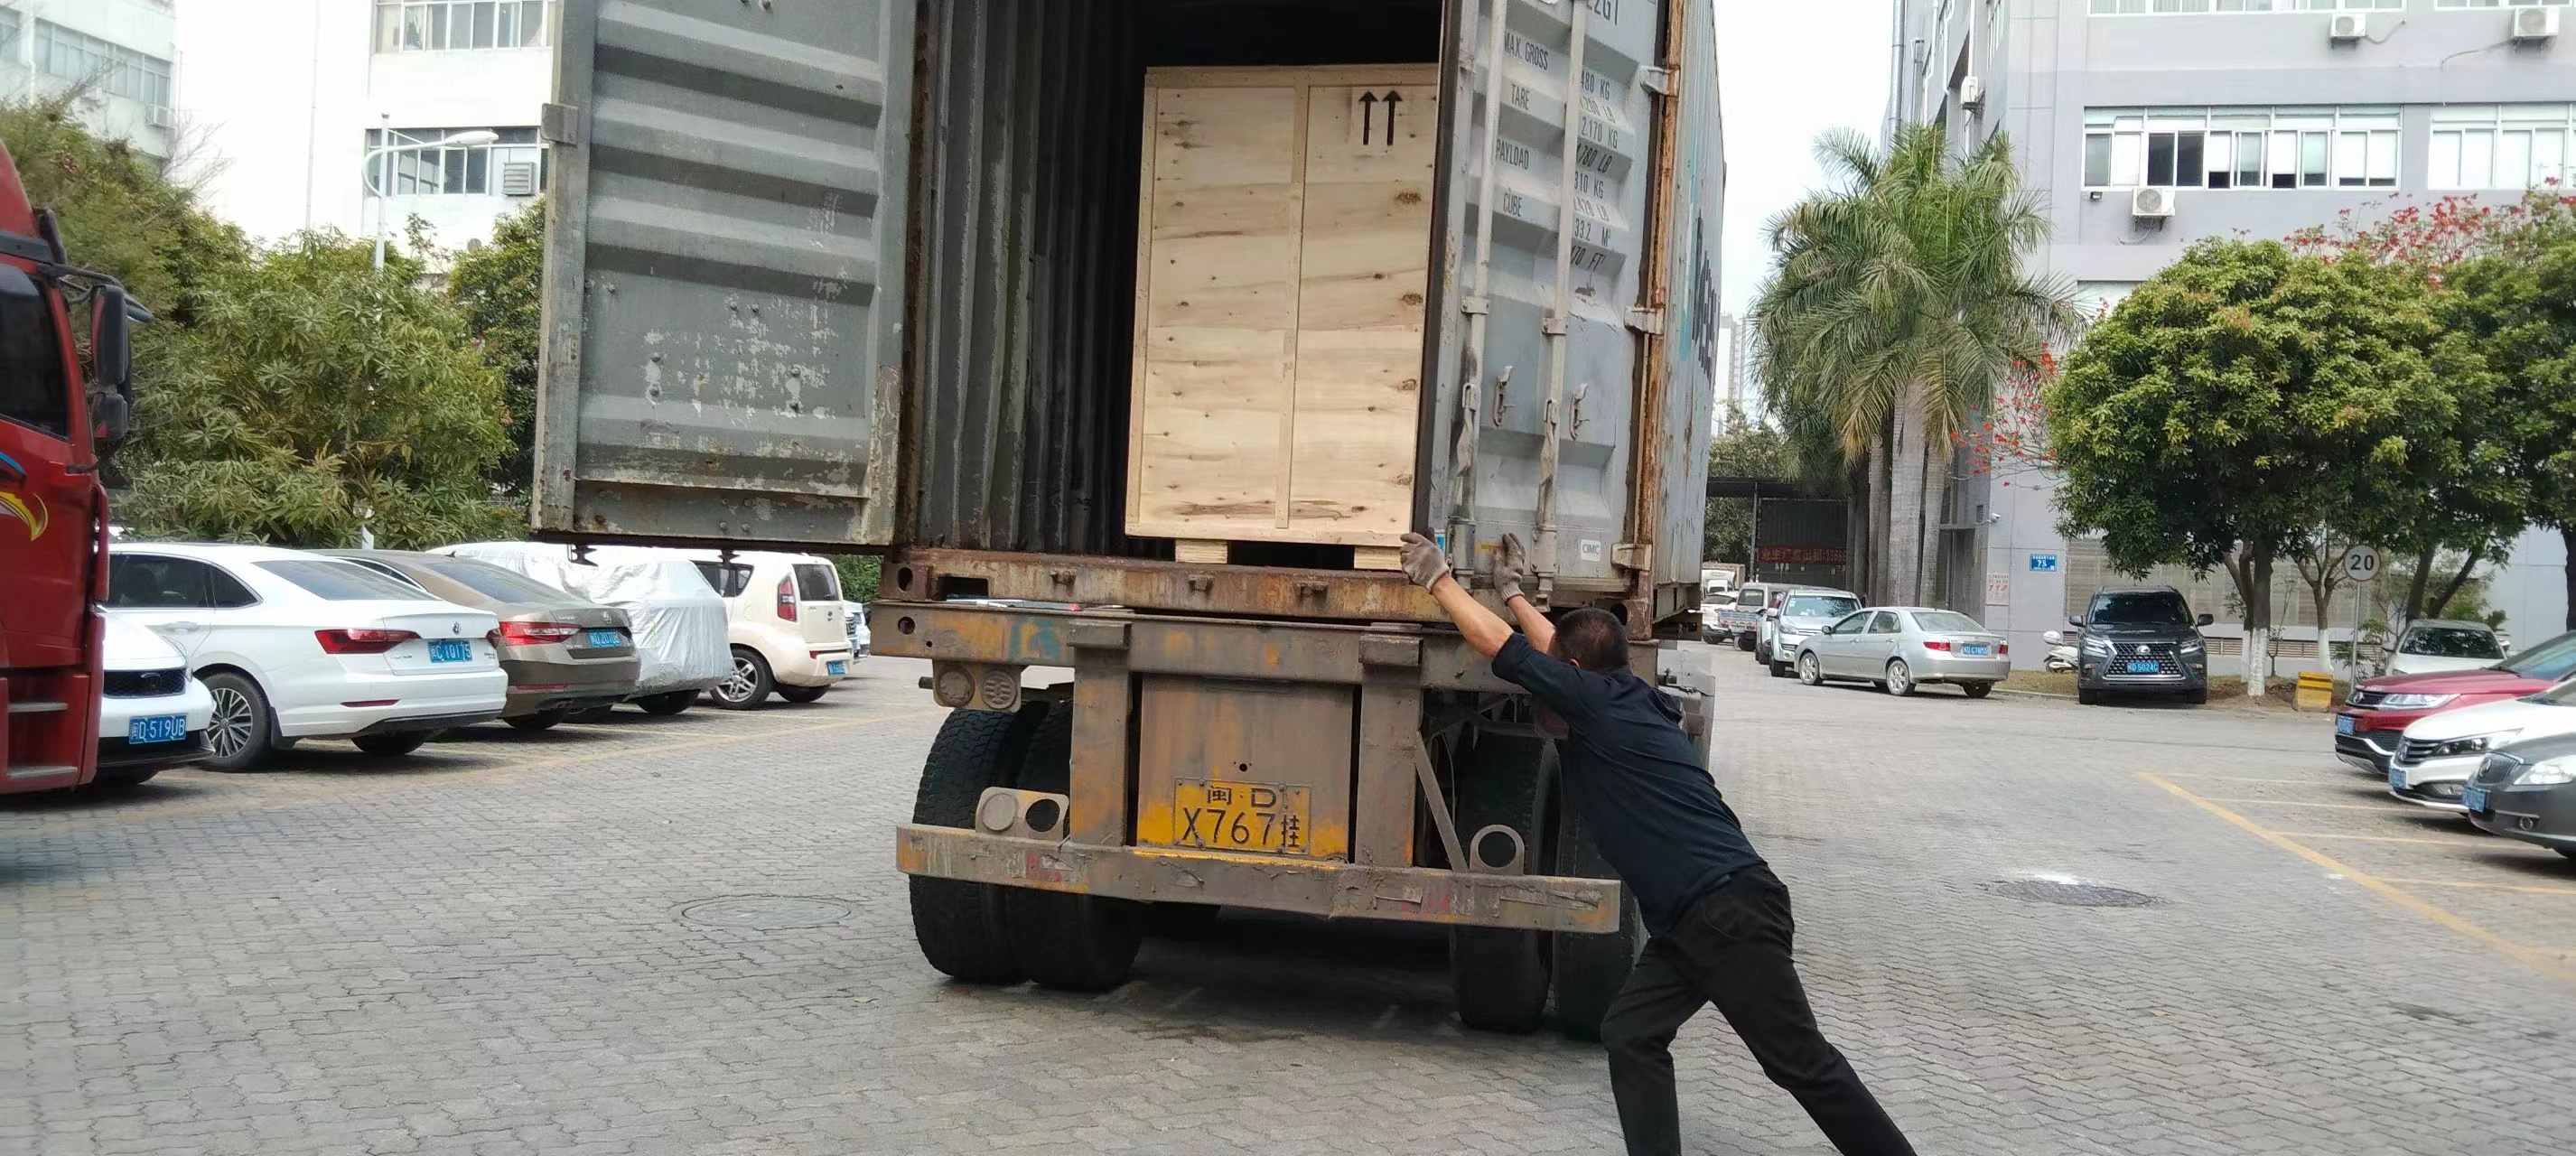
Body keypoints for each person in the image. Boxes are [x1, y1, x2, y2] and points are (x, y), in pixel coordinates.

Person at [1398, 531, 1918, 1156]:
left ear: (1573, 677)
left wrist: (1440, 580)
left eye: (1557, 676)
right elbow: (1552, 650)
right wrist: (1512, 594)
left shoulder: (1593, 704)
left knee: (1802, 1064)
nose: (1548, 688)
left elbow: (1503, 649)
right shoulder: (1628, 693)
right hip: (1696, 917)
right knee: (1632, 1033)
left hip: (1724, 915)